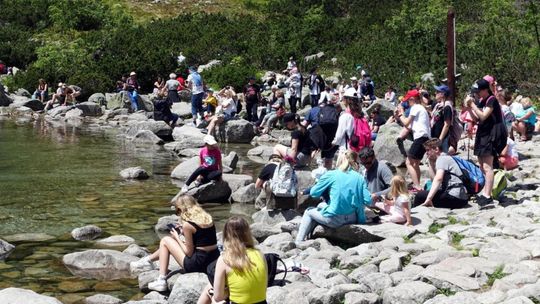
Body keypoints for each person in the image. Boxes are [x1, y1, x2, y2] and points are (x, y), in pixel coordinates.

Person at [131, 195, 219, 292]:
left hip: (197, 264)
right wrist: (183, 234)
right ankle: (147, 260)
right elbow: (202, 241)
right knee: (170, 242)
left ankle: (161, 279)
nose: (178, 214)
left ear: (182, 209)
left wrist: (177, 237)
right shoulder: (208, 219)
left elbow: (188, 252)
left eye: (177, 211)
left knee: (165, 241)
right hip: (213, 261)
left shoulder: (188, 225)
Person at [295, 150, 371, 244]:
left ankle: (298, 241)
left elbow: (314, 193)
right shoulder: (359, 177)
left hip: (334, 219)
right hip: (352, 217)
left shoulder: (332, 174)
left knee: (309, 211)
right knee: (321, 205)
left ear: (339, 160)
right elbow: (368, 200)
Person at [198, 216, 267, 304]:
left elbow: (218, 297)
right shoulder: (260, 254)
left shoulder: (224, 259)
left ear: (226, 235)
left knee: (210, 290)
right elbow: (263, 288)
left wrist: (227, 292)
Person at [465, 78, 507, 207]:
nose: (476, 94)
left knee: (488, 166)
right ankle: (485, 191)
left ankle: (488, 195)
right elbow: (477, 118)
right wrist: (469, 108)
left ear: (484, 90)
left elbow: (484, 116)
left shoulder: (491, 100)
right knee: (482, 165)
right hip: (482, 135)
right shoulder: (482, 101)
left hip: (491, 135)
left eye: (477, 91)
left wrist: (472, 105)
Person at [413, 138, 469, 209]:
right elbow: (434, 179)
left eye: (428, 150)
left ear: (436, 149)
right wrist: (430, 162)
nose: (426, 153)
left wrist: (429, 199)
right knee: (427, 192)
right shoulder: (446, 157)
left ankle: (413, 216)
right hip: (461, 197)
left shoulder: (442, 159)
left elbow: (438, 179)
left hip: (455, 198)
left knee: (420, 195)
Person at [395, 89, 431, 192]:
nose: (407, 103)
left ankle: (417, 186)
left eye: (408, 100)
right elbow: (409, 125)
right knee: (415, 163)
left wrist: (401, 113)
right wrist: (399, 116)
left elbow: (406, 123)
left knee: (409, 162)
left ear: (412, 99)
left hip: (420, 137)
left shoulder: (415, 107)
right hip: (425, 137)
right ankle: (417, 185)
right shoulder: (421, 108)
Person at [331, 88, 356, 152]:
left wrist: (333, 143)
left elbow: (339, 136)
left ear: (345, 100)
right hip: (358, 149)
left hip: (346, 149)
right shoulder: (361, 114)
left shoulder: (345, 116)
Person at [431, 85, 453, 153]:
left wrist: (440, 140)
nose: (435, 93)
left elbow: (447, 125)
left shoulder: (447, 107)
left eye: (437, 92)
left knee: (443, 158)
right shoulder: (439, 106)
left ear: (443, 94)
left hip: (442, 139)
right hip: (435, 137)